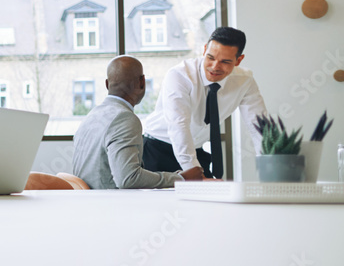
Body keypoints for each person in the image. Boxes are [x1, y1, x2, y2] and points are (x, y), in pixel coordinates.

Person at [142, 27, 269, 179]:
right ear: (204, 50)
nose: (215, 66)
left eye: (225, 61)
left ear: (238, 60)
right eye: (210, 57)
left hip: (195, 151)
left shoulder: (244, 81)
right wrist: (196, 176)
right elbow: (179, 126)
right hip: (157, 150)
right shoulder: (180, 75)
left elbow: (259, 126)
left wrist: (271, 168)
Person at [73, 56, 204, 189]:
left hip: (88, 202)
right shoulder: (124, 118)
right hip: (111, 205)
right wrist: (181, 179)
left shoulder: (91, 116)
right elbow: (128, 178)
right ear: (142, 82)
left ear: (107, 84)